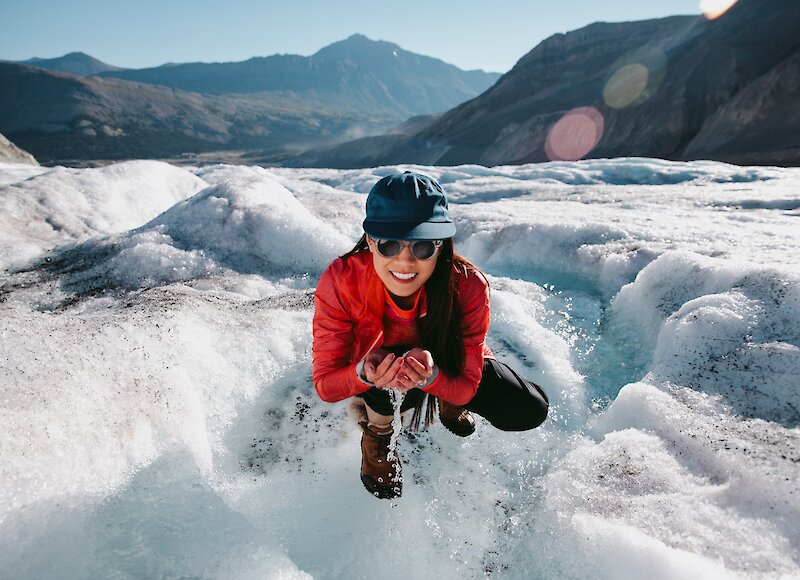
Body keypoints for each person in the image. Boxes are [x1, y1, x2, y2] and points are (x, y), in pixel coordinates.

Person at [312, 171, 549, 499]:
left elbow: (467, 384)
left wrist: (434, 377)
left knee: (529, 408)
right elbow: (325, 383)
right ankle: (378, 434)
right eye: (389, 244)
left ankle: (446, 401)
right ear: (369, 241)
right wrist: (363, 373)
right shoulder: (341, 280)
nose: (405, 259)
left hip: (445, 358)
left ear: (441, 245)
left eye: (422, 246)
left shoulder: (467, 284)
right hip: (381, 372)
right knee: (383, 363)